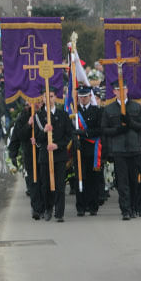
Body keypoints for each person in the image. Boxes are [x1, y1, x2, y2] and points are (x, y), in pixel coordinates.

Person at [101, 82, 141, 220]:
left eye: (123, 88)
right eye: (118, 89)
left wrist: (130, 123)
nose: (121, 91)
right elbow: (104, 129)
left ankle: (133, 207)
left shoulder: (136, 107)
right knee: (122, 182)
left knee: (133, 181)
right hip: (119, 150)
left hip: (134, 149)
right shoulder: (109, 109)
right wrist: (117, 129)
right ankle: (125, 210)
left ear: (127, 89)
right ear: (114, 92)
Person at [34, 87, 72, 222]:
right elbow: (37, 140)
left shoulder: (63, 115)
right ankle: (48, 208)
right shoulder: (38, 116)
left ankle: (59, 212)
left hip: (59, 155)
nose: (48, 99)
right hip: (45, 155)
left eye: (51, 96)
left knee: (60, 184)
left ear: (55, 98)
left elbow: (69, 135)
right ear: (42, 99)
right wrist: (44, 131)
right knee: (46, 185)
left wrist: (58, 145)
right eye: (46, 96)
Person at [9, 99, 45, 220]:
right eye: (34, 101)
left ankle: (45, 206)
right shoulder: (23, 116)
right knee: (33, 182)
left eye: (39, 101)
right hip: (30, 155)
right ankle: (36, 208)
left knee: (43, 181)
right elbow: (18, 135)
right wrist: (28, 125)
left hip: (45, 154)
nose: (37, 104)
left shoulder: (47, 114)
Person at [73, 87, 104, 217]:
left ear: (90, 97)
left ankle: (93, 206)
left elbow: (100, 129)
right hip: (79, 150)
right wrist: (75, 138)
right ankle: (81, 206)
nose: (83, 99)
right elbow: (69, 129)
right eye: (81, 97)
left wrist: (84, 133)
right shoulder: (74, 112)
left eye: (85, 97)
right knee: (80, 177)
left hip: (93, 150)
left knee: (93, 179)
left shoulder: (97, 111)